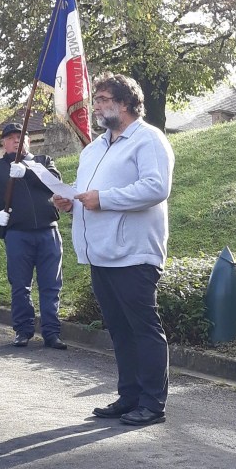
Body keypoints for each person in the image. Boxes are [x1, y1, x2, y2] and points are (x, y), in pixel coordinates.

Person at [54, 73, 174, 427]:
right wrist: (71, 201)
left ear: (125, 103)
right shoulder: (94, 148)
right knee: (120, 330)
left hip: (134, 253)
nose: (96, 107)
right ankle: (129, 396)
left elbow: (156, 188)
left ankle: (152, 404)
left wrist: (103, 199)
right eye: (97, 100)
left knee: (143, 329)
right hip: (100, 253)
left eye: (104, 99)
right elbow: (89, 192)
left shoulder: (149, 139)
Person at [0, 123, 67, 349]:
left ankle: (52, 333)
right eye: (11, 138)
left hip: (48, 232)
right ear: (3, 143)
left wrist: (28, 173)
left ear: (28, 141)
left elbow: (55, 183)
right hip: (17, 234)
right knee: (20, 285)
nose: (17, 140)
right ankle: (23, 331)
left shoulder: (43, 162)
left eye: (21, 137)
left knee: (51, 285)